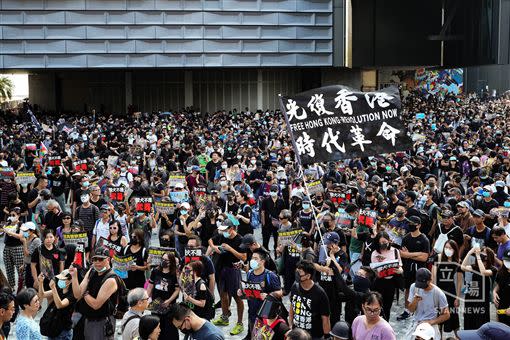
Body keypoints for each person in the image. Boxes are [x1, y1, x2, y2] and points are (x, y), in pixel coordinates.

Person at [70, 246, 119, 340]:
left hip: (102, 322)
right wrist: (74, 276)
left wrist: (84, 293)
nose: (97, 262)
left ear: (108, 259)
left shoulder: (111, 279)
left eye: (101, 259)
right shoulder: (92, 271)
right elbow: (77, 295)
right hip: (88, 319)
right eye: (94, 259)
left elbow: (96, 304)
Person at [210, 219, 246, 336]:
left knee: (237, 296)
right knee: (222, 294)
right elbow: (210, 240)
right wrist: (214, 247)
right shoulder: (221, 236)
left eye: (225, 230)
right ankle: (225, 317)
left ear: (231, 229)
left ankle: (240, 323)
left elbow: (244, 257)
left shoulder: (240, 239)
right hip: (221, 269)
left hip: (233, 271)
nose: (223, 232)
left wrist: (230, 249)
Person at [239, 248, 282, 340]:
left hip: (265, 314)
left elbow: (280, 292)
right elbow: (248, 291)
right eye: (252, 258)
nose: (252, 261)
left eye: (255, 258)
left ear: (262, 261)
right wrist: (241, 292)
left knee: (262, 338)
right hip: (252, 313)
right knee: (253, 336)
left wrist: (269, 295)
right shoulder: (249, 273)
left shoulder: (270, 275)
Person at [398, 216, 430, 321]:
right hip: (408, 268)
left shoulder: (424, 239)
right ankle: (407, 310)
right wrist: (417, 254)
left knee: (421, 290)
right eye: (409, 223)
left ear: (419, 225)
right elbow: (402, 254)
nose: (411, 225)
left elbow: (424, 257)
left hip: (420, 270)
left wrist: (409, 254)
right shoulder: (406, 238)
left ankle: (421, 310)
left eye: (413, 223)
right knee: (407, 289)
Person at [289, 260, 331, 339]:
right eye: (297, 271)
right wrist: (290, 325)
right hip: (297, 334)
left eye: (300, 273)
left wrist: (327, 336)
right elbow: (292, 306)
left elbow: (325, 318)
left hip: (313, 336)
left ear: (308, 276)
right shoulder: (295, 286)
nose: (297, 274)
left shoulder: (320, 293)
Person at [407, 268, 450, 340]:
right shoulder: (414, 287)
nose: (421, 286)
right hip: (416, 323)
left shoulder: (438, 293)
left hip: (431, 325)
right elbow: (410, 310)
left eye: (423, 283)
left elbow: (447, 315)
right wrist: (415, 301)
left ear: (430, 280)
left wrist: (430, 322)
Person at [460, 246, 496, 330]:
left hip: (482, 301)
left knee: (480, 323)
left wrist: (478, 256)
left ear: (489, 256)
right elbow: (463, 267)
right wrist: (469, 252)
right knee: (469, 321)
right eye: (481, 253)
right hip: (471, 297)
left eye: (484, 253)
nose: (482, 255)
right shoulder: (475, 267)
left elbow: (483, 272)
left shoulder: (493, 269)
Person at [431, 240, 462, 337]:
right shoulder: (439, 258)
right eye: (446, 247)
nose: (447, 250)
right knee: (439, 318)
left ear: (454, 250)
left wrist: (457, 297)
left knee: (454, 318)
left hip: (451, 292)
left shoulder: (457, 262)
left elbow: (459, 281)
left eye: (450, 248)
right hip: (439, 291)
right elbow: (433, 276)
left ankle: (459, 337)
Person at [146, 251, 180, 338]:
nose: (163, 261)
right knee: (156, 327)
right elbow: (150, 287)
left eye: (166, 260)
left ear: (171, 262)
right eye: (162, 259)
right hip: (156, 303)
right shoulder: (155, 271)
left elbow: (177, 290)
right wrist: (146, 298)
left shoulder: (174, 274)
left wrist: (169, 301)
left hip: (169, 305)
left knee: (169, 329)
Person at [371, 231, 403, 321]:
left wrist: (400, 270)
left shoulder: (395, 251)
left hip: (391, 281)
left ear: (389, 241)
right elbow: (374, 269)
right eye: (380, 243)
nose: (383, 244)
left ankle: (385, 324)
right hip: (380, 281)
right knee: (377, 305)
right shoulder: (375, 253)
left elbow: (400, 266)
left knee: (387, 306)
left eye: (385, 242)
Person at [37, 269, 76, 340]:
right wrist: (40, 282)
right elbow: (42, 295)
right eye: (59, 279)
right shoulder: (59, 289)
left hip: (63, 330)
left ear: (70, 280)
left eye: (63, 279)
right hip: (53, 327)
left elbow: (60, 305)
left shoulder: (72, 294)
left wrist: (53, 288)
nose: (60, 281)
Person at [2, 207, 24, 289]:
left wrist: (9, 232)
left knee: (20, 269)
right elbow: (2, 234)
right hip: (7, 247)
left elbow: (21, 236)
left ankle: (21, 286)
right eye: (10, 215)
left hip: (17, 248)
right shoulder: (7, 224)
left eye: (13, 215)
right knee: (8, 268)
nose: (11, 216)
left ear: (18, 215)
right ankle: (11, 286)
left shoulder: (21, 224)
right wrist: (3, 229)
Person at [493, 250, 510, 326]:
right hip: (502, 308)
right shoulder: (501, 272)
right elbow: (498, 286)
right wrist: (494, 292)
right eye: (506, 260)